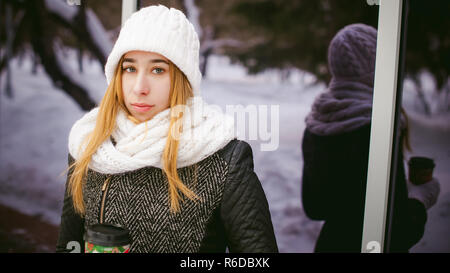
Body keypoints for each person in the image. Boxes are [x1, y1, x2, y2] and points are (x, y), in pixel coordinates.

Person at [56, 5, 278, 253]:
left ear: (182, 79)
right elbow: (68, 244)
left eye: (158, 70)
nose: (140, 87)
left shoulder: (224, 160)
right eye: (130, 68)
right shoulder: (90, 144)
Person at [301, 23, 440, 252]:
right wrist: (419, 199)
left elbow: (315, 208)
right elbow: (394, 234)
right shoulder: (375, 128)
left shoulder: (319, 121)